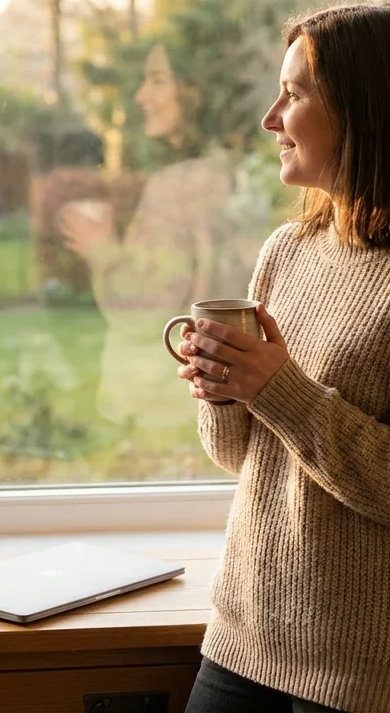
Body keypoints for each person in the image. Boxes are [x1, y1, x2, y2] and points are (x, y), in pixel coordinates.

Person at [176, 3, 390, 712]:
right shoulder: (287, 252)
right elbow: (245, 455)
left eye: (295, 95)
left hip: (379, 677)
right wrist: (223, 390)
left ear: (366, 113)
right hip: (246, 636)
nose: (271, 118)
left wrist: (279, 390)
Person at [60, 42, 255, 470]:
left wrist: (101, 249)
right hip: (212, 399)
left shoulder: (180, 185)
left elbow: (145, 304)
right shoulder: (225, 173)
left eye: (158, 80)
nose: (141, 97)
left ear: (194, 94)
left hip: (163, 405)